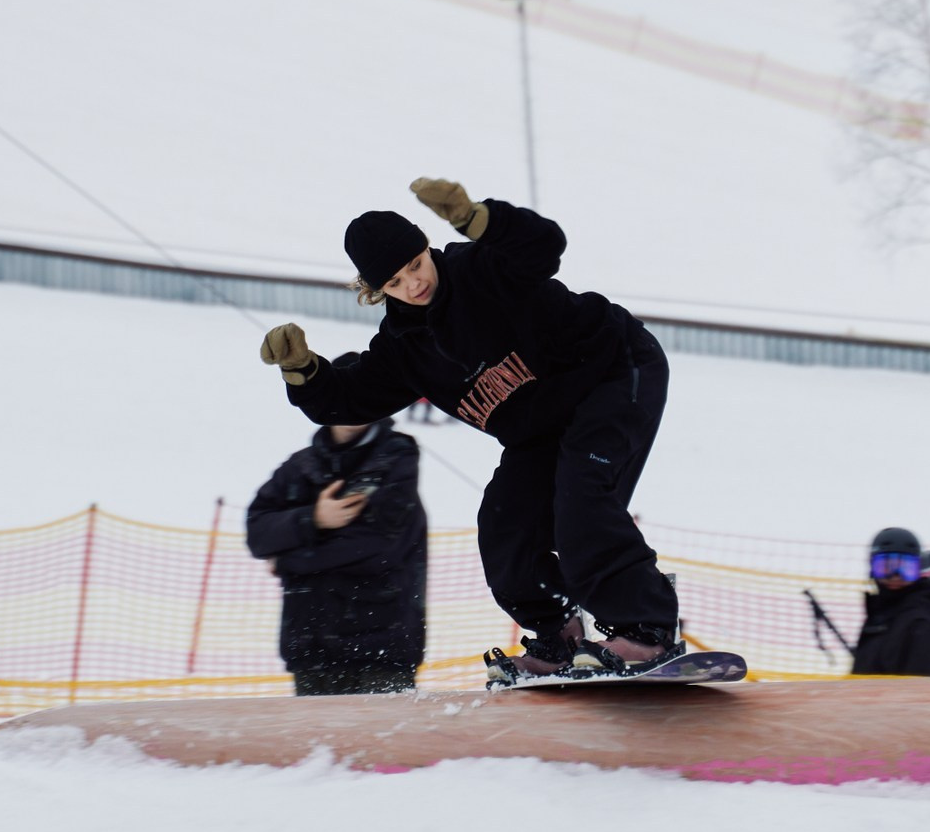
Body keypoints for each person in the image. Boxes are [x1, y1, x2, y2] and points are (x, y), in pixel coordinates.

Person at [258, 178, 679, 682]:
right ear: (376, 291)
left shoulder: (482, 270)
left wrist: (478, 219)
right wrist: (302, 370)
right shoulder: (404, 350)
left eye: (416, 265)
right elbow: (346, 399)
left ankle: (647, 629)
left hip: (612, 372)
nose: (413, 284)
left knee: (582, 497)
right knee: (504, 525)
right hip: (541, 428)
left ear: (426, 248)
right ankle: (558, 634)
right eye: (395, 282)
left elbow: (544, 246)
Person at [246, 416, 427, 694]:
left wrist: (287, 560)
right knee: (315, 726)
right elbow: (257, 533)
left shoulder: (397, 464)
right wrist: (313, 518)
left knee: (380, 725)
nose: (349, 409)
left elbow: (375, 548)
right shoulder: (299, 466)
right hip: (310, 651)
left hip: (381, 654)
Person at [851, 527, 930, 676]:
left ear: (918, 571)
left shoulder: (921, 624)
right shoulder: (880, 618)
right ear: (872, 568)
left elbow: (925, 687)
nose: (895, 576)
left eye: (906, 568)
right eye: (885, 567)